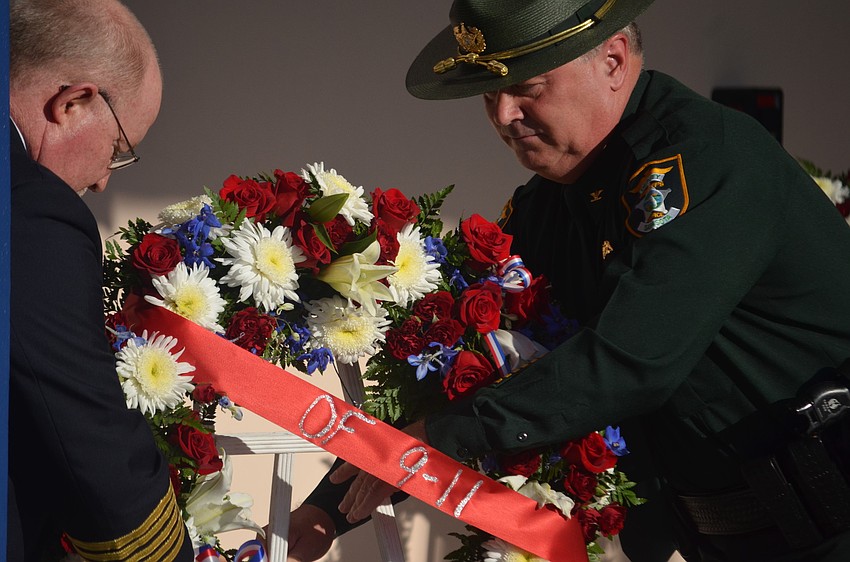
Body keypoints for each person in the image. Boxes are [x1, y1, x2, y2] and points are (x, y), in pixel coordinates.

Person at [286, 1, 850, 561]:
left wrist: (439, 437)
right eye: (488, 93)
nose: (503, 114)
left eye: (528, 87)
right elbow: (460, 359)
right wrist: (330, 509)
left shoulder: (704, 156)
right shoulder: (553, 204)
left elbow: (633, 359)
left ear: (612, 60)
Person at [8, 0, 194, 560]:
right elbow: (87, 440)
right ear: (72, 103)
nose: (102, 180)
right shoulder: (30, 207)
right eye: (118, 148)